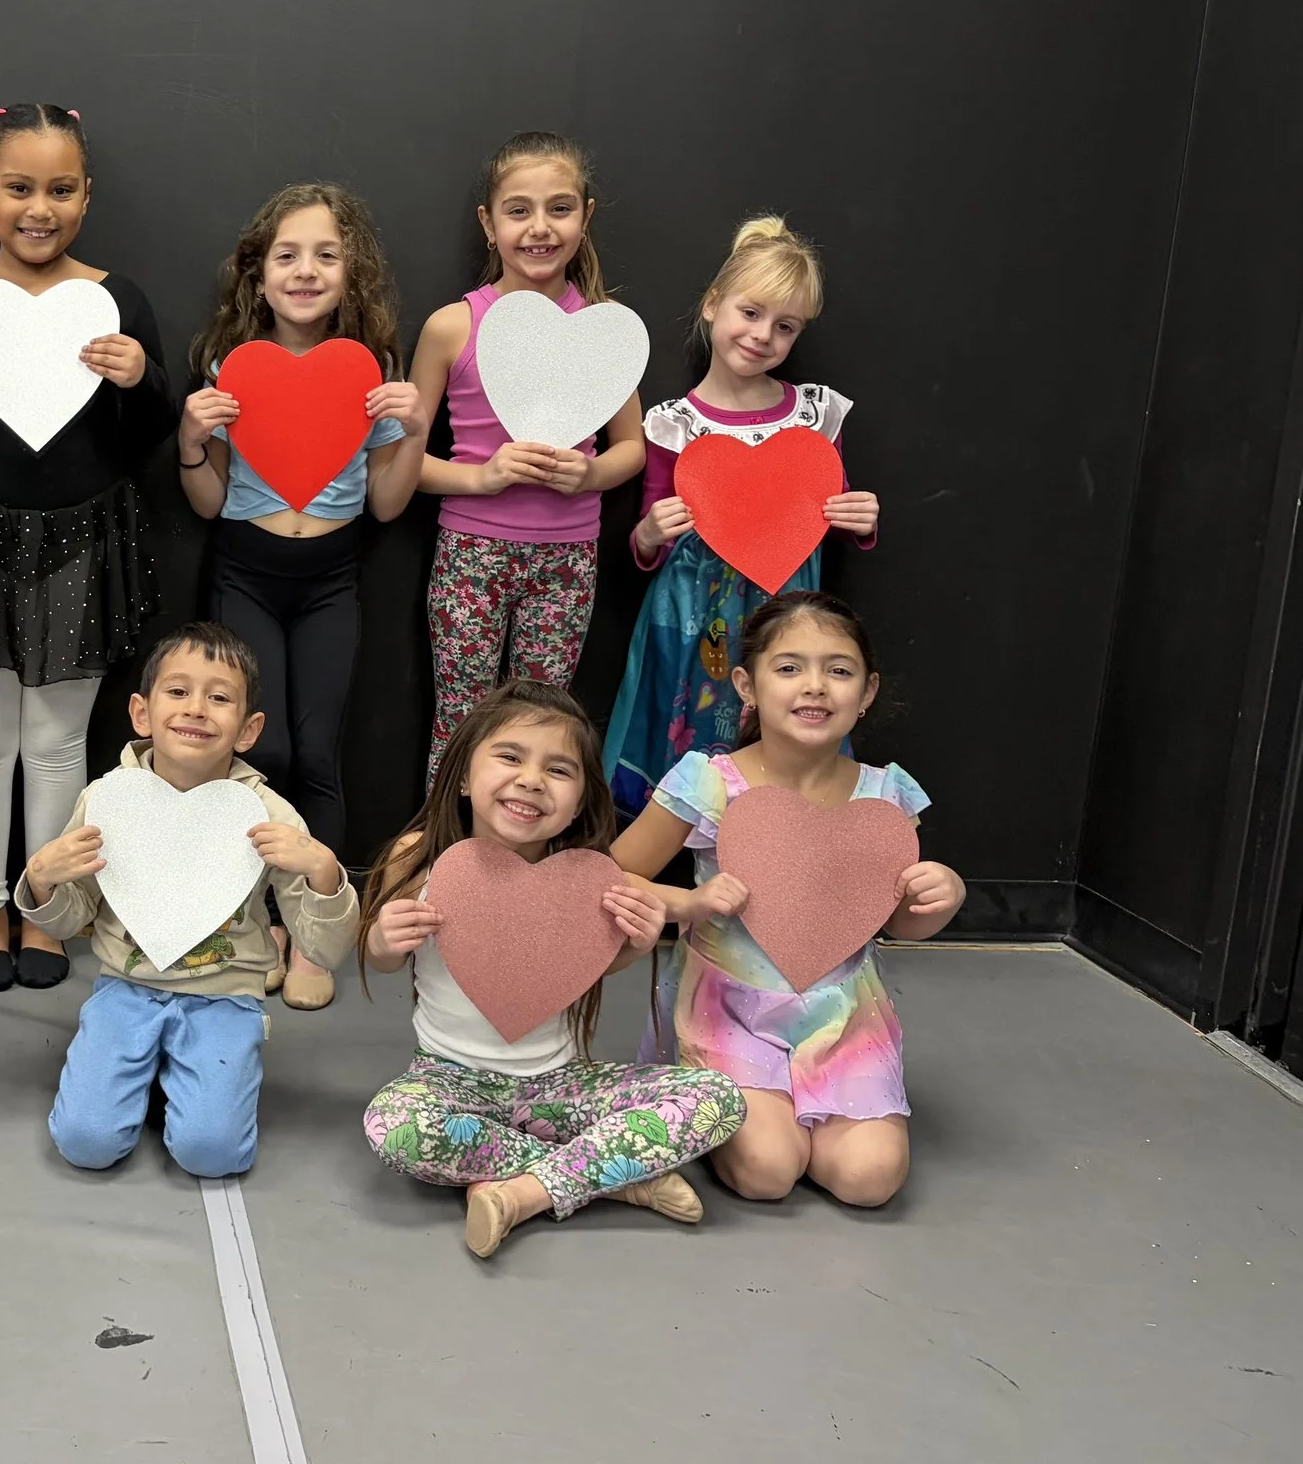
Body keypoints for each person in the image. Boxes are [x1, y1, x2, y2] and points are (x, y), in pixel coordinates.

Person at [0, 105, 175, 992]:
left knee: (58, 742)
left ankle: (46, 908)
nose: (37, 207)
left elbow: (152, 439)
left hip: (83, 541)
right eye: (19, 187)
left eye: (59, 188)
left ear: (87, 196)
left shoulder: (117, 299)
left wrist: (141, 383)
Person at [359, 680, 745, 1258]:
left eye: (559, 770)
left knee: (718, 1098)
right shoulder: (418, 859)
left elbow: (585, 967)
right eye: (510, 757)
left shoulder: (590, 880)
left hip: (562, 1085)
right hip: (447, 1081)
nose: (532, 780)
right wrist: (385, 941)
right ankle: (616, 1180)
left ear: (581, 800)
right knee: (395, 1126)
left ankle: (524, 1190)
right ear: (463, 776)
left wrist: (639, 944)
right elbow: (381, 959)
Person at [611, 592, 962, 1207]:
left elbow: (898, 921)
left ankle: (810, 1111)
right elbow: (611, 880)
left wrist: (941, 898)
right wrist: (688, 906)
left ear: (868, 691)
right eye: (790, 667)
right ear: (746, 685)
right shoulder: (711, 782)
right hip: (729, 1009)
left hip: (842, 1015)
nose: (816, 686)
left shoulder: (886, 797)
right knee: (769, 1171)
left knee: (870, 1180)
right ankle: (746, 1108)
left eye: (840, 670)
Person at [178, 183, 427, 1009]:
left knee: (319, 752)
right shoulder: (230, 365)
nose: (306, 270)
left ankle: (317, 933)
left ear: (350, 271)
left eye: (325, 254)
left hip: (332, 579)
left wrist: (411, 426)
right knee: (259, 748)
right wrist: (192, 437)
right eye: (288, 254)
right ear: (259, 271)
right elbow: (208, 503)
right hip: (244, 571)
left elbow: (389, 504)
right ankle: (255, 922)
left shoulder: (370, 371)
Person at [22, 622, 360, 1179]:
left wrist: (325, 875)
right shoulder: (108, 799)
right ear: (140, 713)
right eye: (178, 691)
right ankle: (153, 1075)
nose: (197, 708)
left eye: (219, 697)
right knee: (85, 1143)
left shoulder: (270, 816)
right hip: (124, 989)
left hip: (225, 997)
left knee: (212, 1153)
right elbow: (69, 918)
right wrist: (41, 880)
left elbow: (323, 948)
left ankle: (190, 1076)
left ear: (249, 729)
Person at [601, 217, 879, 815]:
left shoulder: (813, 417)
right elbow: (647, 540)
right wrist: (648, 534)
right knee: (689, 750)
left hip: (784, 616)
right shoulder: (672, 423)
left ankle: (773, 853)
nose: (761, 336)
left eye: (784, 327)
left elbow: (833, 502)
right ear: (712, 305)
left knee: (780, 743)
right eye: (750, 313)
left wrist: (860, 520)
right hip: (690, 622)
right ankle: (678, 859)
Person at [409, 131, 643, 778]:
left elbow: (633, 448)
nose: (539, 228)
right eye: (518, 210)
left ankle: (522, 868)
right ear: (489, 224)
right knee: (461, 720)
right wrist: (482, 476)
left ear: (586, 217)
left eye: (560, 208)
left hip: (568, 560)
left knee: (541, 726)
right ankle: (445, 863)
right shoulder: (452, 325)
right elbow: (406, 463)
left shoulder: (605, 330)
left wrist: (591, 472)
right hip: (471, 557)